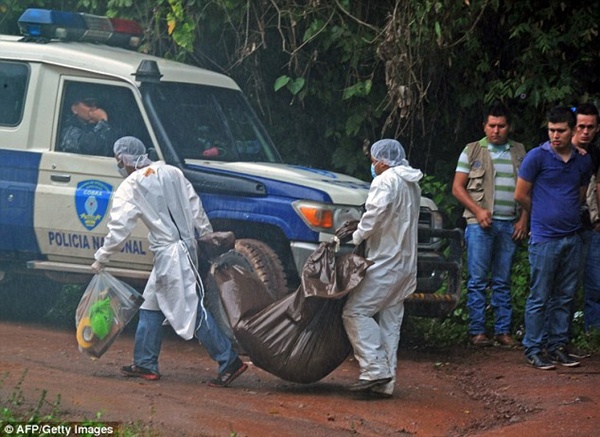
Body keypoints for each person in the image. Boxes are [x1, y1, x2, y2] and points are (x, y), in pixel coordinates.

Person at [91, 136, 247, 386]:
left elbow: (120, 228)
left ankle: (229, 360)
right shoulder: (171, 172)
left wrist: (102, 258)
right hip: (185, 248)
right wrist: (204, 233)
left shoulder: (130, 186)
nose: (118, 165)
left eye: (118, 160)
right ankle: (145, 363)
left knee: (190, 310)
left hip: (170, 254)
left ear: (123, 159)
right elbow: (194, 203)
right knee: (150, 305)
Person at [342, 139, 422, 398]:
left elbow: (374, 214)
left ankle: (374, 369)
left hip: (386, 262)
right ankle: (385, 384)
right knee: (390, 322)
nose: (372, 166)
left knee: (355, 312)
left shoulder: (385, 181)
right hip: (406, 266)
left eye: (374, 161)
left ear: (382, 161)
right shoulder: (411, 183)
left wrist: (356, 236)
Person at [514, 106, 592, 370]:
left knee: (565, 296)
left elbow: (580, 193)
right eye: (551, 130)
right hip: (545, 238)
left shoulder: (583, 160)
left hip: (572, 237)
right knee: (540, 295)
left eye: (560, 131)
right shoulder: (536, 157)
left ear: (572, 131)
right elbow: (520, 194)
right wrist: (542, 215)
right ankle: (533, 348)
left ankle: (558, 346)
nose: (555, 136)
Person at [452, 103, 528, 348]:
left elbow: (528, 189)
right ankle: (477, 332)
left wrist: (524, 219)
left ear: (509, 127)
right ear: (484, 126)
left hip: (510, 225)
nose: (496, 130)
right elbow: (457, 188)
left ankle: (503, 332)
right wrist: (477, 210)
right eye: (492, 125)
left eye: (501, 126)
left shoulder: (520, 152)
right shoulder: (472, 150)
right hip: (479, 224)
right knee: (477, 280)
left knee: (502, 280)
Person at [570, 103, 600, 350]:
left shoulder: (596, 155)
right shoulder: (557, 151)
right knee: (562, 286)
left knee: (595, 284)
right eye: (581, 126)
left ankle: (592, 337)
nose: (586, 132)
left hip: (591, 228)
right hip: (563, 229)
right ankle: (559, 337)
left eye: (591, 127)